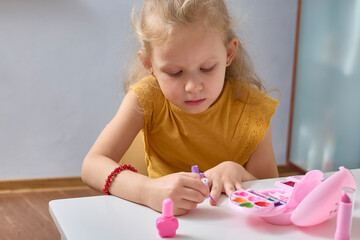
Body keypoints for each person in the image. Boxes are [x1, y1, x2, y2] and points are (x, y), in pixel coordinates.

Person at [81, 0, 279, 215]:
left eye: (207, 68)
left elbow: (271, 192)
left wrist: (237, 172)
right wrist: (148, 190)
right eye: (175, 72)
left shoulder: (252, 110)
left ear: (229, 53)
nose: (193, 87)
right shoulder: (147, 98)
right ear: (148, 64)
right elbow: (92, 166)